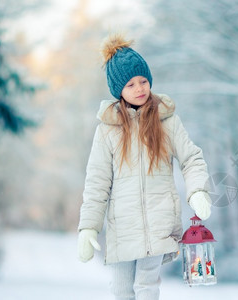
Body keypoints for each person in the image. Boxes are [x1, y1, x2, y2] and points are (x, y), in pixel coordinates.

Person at [77, 34, 212, 300]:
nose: (139, 88)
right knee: (121, 291)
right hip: (122, 226)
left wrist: (197, 190)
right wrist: (88, 227)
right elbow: (97, 183)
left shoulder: (167, 122)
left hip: (158, 221)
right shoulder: (107, 131)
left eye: (143, 81)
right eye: (130, 84)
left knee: (146, 287)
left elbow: (191, 158)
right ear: (119, 90)